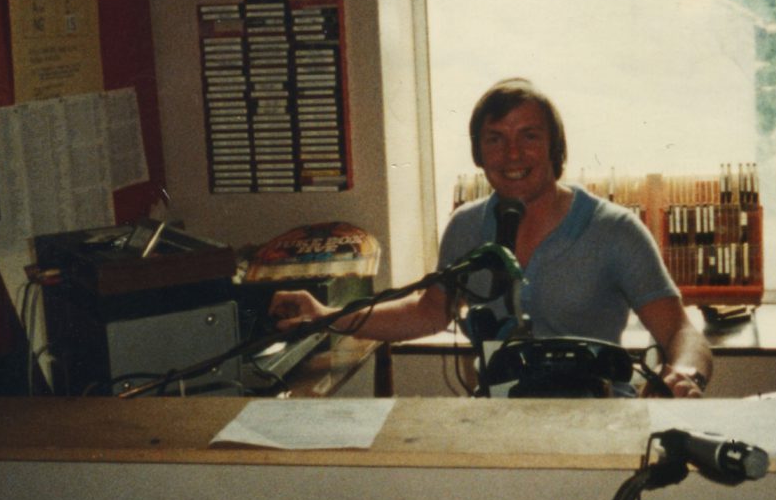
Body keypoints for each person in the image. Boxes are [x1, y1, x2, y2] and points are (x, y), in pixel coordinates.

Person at [270, 78, 712, 397]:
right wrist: (326, 316)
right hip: (499, 418)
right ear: (479, 154)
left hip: (601, 421)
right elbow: (427, 313)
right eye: (495, 140)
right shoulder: (467, 226)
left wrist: (684, 375)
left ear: (556, 147)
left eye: (529, 137)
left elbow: (680, 332)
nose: (513, 154)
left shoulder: (614, 230)